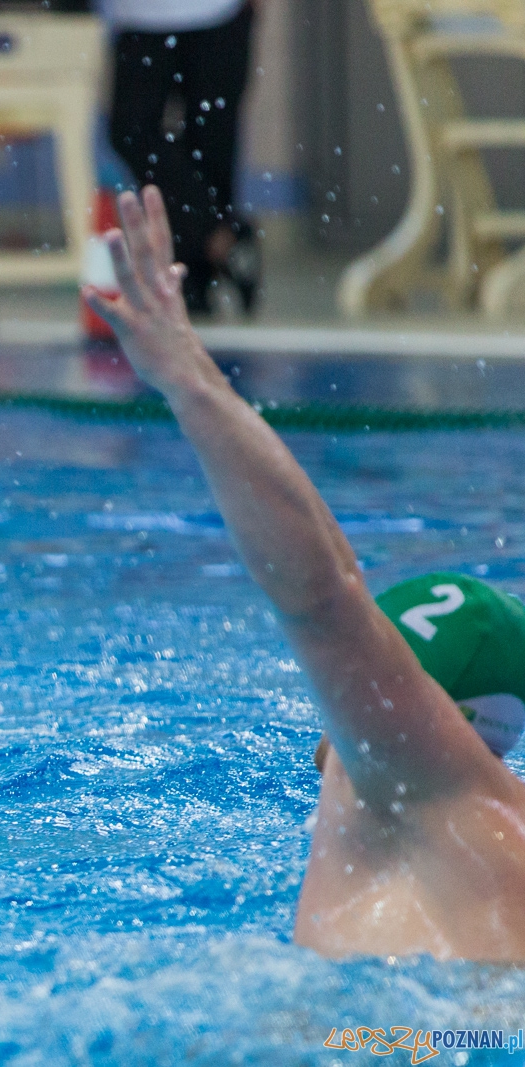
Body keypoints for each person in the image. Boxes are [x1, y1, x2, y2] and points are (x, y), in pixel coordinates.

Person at [84, 186, 525, 961]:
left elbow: (324, 595)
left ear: (427, 708)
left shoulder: (405, 782)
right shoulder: (460, 817)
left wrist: (191, 381)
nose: (334, 703)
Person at [103, 0, 260, 315]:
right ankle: (220, 237)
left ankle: (195, 275)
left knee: (211, 144)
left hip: (219, 13)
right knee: (132, 133)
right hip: (138, 16)